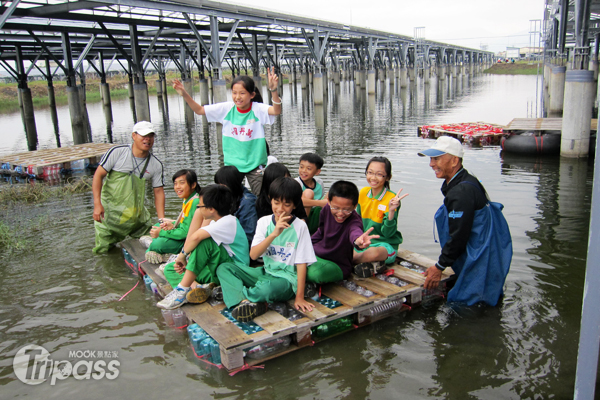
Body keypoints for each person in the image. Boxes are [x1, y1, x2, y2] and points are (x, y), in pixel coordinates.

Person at [418, 136, 512, 306]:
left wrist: (439, 266)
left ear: (454, 161)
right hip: (484, 255)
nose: (431, 164)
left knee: (466, 308)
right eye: (431, 159)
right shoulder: (466, 180)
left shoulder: (461, 191)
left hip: (479, 259)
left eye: (437, 158)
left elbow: (459, 236)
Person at [217, 177, 316, 322]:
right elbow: (254, 254)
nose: (280, 209)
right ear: (270, 200)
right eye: (276, 202)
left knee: (265, 289)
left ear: (294, 205)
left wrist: (299, 297)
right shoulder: (263, 222)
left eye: (286, 204)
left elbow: (301, 264)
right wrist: (274, 233)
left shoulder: (300, 227)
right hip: (265, 271)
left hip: (286, 280)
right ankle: (244, 301)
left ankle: (236, 294)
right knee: (224, 268)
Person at [173, 68, 281, 195]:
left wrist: (273, 90)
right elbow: (199, 110)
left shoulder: (257, 109)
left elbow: (276, 111)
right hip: (232, 165)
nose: (237, 97)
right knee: (227, 197)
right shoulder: (226, 109)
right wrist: (184, 93)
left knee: (262, 198)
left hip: (255, 164)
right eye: (234, 93)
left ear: (252, 95)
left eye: (242, 93)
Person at [157, 185, 249, 310]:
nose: (198, 209)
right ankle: (197, 288)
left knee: (204, 242)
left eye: (200, 206)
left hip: (233, 269)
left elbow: (195, 237)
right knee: (170, 268)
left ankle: (182, 291)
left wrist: (182, 256)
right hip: (218, 268)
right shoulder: (215, 222)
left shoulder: (229, 221)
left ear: (211, 209)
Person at [92, 121, 165, 254]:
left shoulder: (156, 165)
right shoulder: (117, 152)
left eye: (151, 136)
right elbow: (98, 176)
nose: (147, 139)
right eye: (143, 135)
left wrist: (161, 221)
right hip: (109, 215)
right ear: (134, 136)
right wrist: (97, 204)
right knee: (104, 252)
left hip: (136, 217)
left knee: (153, 242)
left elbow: (159, 192)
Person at [309, 181, 380, 284]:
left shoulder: (354, 220)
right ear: (328, 201)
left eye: (346, 210)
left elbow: (355, 232)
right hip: (317, 254)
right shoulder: (326, 210)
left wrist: (358, 241)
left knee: (315, 273)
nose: (340, 213)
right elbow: (321, 232)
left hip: (337, 264)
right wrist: (304, 245)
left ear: (355, 206)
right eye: (336, 208)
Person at [353, 157, 408, 278]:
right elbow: (356, 221)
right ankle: (368, 264)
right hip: (364, 242)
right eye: (370, 172)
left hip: (384, 245)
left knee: (375, 252)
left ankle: (353, 261)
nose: (373, 178)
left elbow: (388, 234)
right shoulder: (363, 193)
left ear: (388, 177)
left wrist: (392, 211)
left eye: (379, 174)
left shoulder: (392, 199)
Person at [144, 169, 201, 264]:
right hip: (184, 236)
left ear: (193, 185)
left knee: (157, 243)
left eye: (182, 183)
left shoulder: (195, 202)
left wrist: (161, 233)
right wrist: (171, 224)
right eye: (175, 183)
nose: (177, 187)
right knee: (158, 225)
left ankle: (153, 248)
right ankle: (156, 245)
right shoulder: (189, 199)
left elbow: (186, 233)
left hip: (188, 242)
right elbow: (185, 222)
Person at [214, 165, 258, 247]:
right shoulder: (226, 195)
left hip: (239, 246)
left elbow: (249, 234)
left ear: (231, 183)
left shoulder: (247, 202)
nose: (219, 189)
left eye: (222, 185)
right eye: (218, 185)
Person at [295, 152, 328, 234]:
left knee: (332, 194)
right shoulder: (296, 183)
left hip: (315, 214)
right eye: (301, 167)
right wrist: (320, 203)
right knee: (308, 193)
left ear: (317, 172)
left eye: (308, 169)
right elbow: (295, 202)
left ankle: (327, 228)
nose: (303, 171)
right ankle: (303, 229)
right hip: (301, 217)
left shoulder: (319, 182)